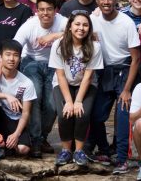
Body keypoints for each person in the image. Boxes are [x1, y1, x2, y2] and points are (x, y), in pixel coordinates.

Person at [85, 0, 140, 174]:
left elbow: (136, 58)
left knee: (123, 114)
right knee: (96, 113)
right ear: (97, 0)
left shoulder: (126, 22)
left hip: (125, 69)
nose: (106, 2)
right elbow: (74, 29)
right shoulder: (93, 18)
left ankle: (123, 158)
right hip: (105, 70)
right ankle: (105, 150)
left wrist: (126, 89)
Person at [14, 0, 67, 157]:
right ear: (36, 11)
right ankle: (36, 139)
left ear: (55, 10)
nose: (45, 13)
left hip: (55, 64)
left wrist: (54, 35)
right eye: (41, 10)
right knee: (34, 96)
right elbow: (16, 43)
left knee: (53, 104)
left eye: (49, 9)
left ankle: (43, 136)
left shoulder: (63, 22)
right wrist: (2, 60)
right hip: (32, 62)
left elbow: (83, 33)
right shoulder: (30, 25)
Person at [49, 11, 103, 166]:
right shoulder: (58, 45)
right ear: (70, 27)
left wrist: (78, 100)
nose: (81, 28)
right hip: (62, 83)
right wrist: (68, 101)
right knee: (64, 113)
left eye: (85, 25)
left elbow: (88, 76)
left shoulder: (95, 46)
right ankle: (66, 150)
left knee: (82, 114)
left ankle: (79, 151)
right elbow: (60, 75)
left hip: (86, 84)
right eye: (77, 24)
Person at [0, 39, 36, 159]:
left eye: (15, 55)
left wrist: (16, 134)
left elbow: (26, 113)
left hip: (15, 119)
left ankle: (4, 145)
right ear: (0, 57)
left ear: (20, 58)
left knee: (23, 149)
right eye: (8, 54)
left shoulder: (27, 83)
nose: (11, 59)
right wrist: (7, 96)